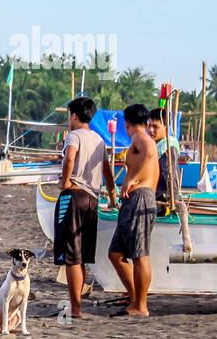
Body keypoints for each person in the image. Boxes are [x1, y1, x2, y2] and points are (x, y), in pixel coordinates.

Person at [54, 97, 118, 318]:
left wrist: (64, 181)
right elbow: (108, 172)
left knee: (71, 256)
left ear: (74, 115)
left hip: (73, 196)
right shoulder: (99, 139)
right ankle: (77, 305)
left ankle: (76, 308)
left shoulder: (73, 135)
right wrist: (112, 197)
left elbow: (69, 158)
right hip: (92, 198)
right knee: (81, 255)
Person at [108, 104, 160, 317]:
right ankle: (135, 298)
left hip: (141, 198)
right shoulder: (139, 139)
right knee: (116, 254)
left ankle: (141, 306)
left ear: (126, 123)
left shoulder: (141, 137)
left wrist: (132, 178)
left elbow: (149, 152)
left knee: (139, 256)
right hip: (136, 200)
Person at [147, 107, 171, 204]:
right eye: (149, 126)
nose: (151, 130)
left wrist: (174, 199)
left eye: (155, 127)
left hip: (159, 200)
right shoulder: (154, 145)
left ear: (166, 127)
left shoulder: (167, 147)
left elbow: (170, 177)